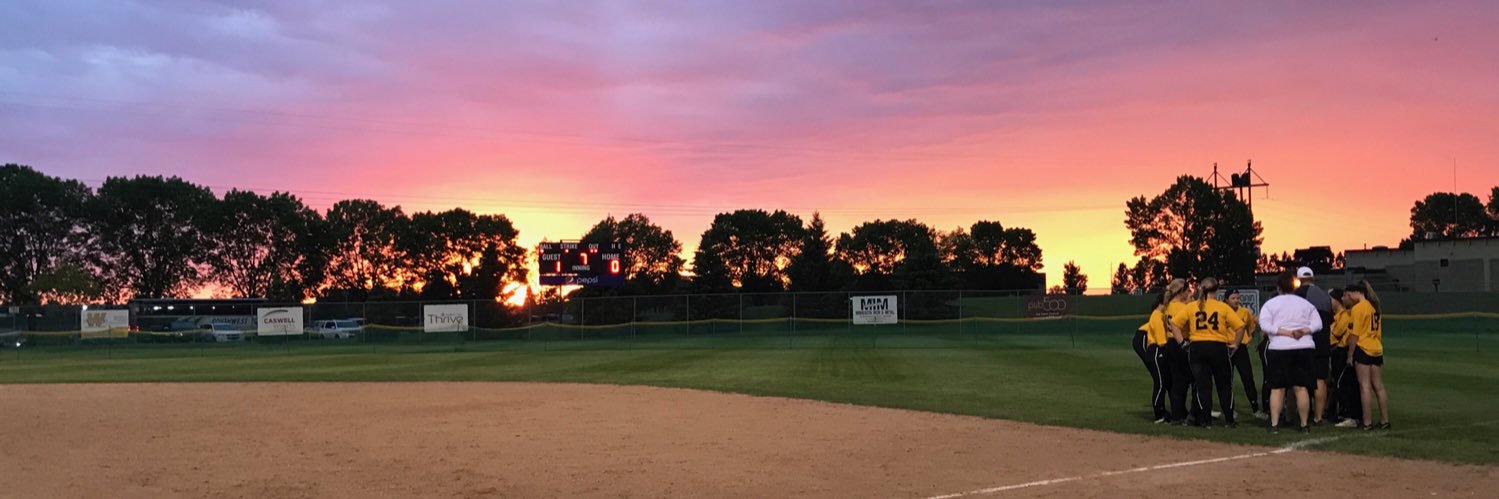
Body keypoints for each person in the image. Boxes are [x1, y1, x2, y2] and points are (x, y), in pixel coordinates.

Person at [1170, 277, 1247, 428]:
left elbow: (1174, 323)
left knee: (1203, 386)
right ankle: (1229, 420)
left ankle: (1206, 420)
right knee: (1224, 385)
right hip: (1218, 347)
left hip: (1198, 347)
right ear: (1216, 291)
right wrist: (1236, 344)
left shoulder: (1193, 306)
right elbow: (1240, 326)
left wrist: (1182, 343)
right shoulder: (1222, 307)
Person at [1258, 271, 1322, 433]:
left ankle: (1274, 424)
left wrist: (1282, 332)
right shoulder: (1305, 303)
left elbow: (1264, 325)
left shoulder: (1271, 304)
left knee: (1277, 388)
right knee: (1301, 388)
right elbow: (1318, 324)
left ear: (1278, 287)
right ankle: (1304, 424)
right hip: (1303, 347)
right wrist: (1304, 330)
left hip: (1279, 348)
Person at [1345, 280, 1390, 430]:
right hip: (1376, 348)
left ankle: (1367, 422)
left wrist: (1350, 355)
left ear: (1356, 293)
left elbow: (1354, 335)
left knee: (1364, 387)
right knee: (1379, 386)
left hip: (1363, 349)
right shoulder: (1375, 307)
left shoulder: (1358, 309)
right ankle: (1385, 420)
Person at [1293, 267, 1335, 424]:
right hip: (1323, 343)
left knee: (1299, 381)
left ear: (1299, 279)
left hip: (1303, 343)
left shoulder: (1297, 295)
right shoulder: (1325, 295)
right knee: (1320, 380)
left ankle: (1300, 415)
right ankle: (1319, 416)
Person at [1160, 279, 1195, 424]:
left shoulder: (1168, 307)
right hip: (1181, 342)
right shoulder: (1182, 307)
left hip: (1170, 343)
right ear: (1181, 292)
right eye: (1187, 290)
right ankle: (1179, 415)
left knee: (1176, 381)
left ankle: (1178, 412)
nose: (1189, 293)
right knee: (1183, 381)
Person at [1329, 289, 1363, 427]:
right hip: (1338, 351)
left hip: (1342, 351)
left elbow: (1336, 332)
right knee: (1339, 384)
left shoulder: (1345, 315)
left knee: (1343, 384)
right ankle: (1343, 413)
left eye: (1330, 299)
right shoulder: (1338, 316)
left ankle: (1349, 415)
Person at [1225, 289, 1261, 418]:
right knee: (1227, 380)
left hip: (1240, 348)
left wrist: (1248, 337)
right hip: (1227, 347)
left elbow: (1251, 326)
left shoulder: (1244, 312)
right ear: (1226, 299)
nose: (1236, 300)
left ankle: (1255, 408)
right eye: (1233, 298)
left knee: (1247, 378)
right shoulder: (1223, 311)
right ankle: (1230, 408)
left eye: (1237, 298)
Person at [1141, 292, 1174, 423]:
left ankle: (1162, 411)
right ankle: (1158, 413)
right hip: (1156, 351)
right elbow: (1161, 341)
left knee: (1163, 383)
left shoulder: (1160, 316)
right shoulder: (1157, 316)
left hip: (1156, 351)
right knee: (1160, 383)